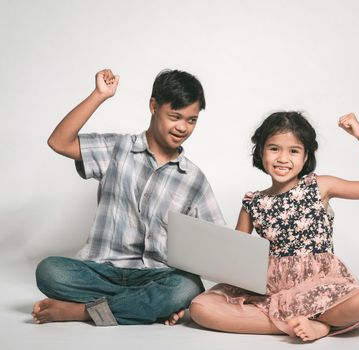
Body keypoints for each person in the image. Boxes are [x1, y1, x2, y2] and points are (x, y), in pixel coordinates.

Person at [32, 68, 225, 326]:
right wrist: (100, 95)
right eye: (175, 116)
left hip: (156, 275)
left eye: (191, 120)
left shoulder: (194, 179)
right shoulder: (117, 148)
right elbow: (59, 141)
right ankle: (142, 306)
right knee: (49, 272)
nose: (182, 127)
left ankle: (83, 312)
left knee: (186, 287)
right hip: (101, 271)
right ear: (153, 106)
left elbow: (220, 243)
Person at [189, 111, 359, 341]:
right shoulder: (252, 202)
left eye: (293, 151)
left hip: (318, 286)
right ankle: (308, 323)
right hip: (271, 290)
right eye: (274, 148)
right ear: (261, 151)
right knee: (200, 307)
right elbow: (237, 258)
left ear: (305, 157)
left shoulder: (320, 186)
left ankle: (314, 322)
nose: (283, 158)